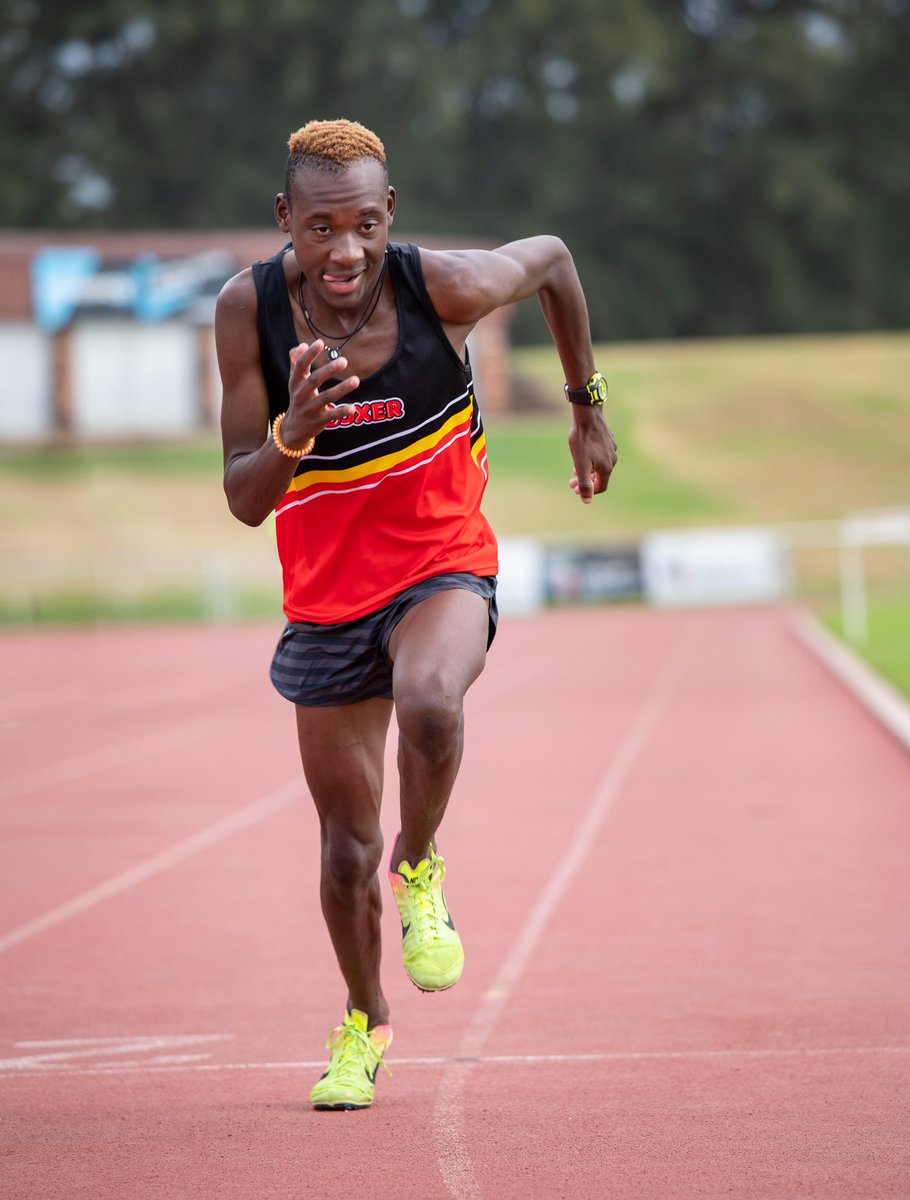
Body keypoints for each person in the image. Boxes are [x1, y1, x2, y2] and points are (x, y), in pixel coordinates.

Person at [216, 118, 617, 1111]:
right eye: (318, 228)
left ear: (389, 215)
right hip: (324, 601)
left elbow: (557, 260)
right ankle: (364, 1018)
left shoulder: (446, 287)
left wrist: (586, 403)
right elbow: (242, 495)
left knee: (432, 704)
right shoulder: (246, 312)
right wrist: (292, 433)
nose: (342, 250)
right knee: (342, 852)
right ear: (285, 223)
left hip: (441, 561)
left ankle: (423, 859)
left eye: (361, 224)